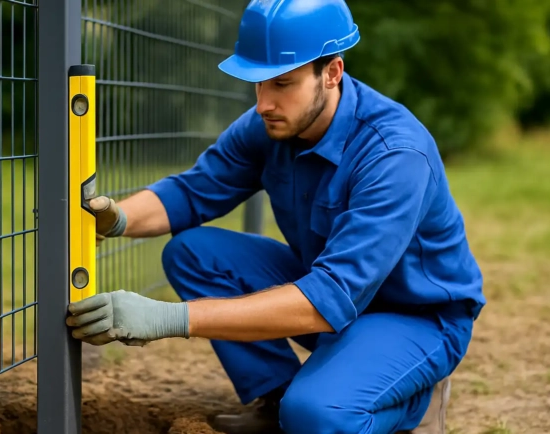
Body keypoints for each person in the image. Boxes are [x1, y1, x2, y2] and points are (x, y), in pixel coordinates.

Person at [65, 0, 486, 433]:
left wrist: (171, 318)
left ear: (332, 73)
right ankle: (278, 399)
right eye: (258, 83)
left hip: (416, 316)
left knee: (318, 414)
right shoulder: (271, 123)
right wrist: (114, 218)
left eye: (282, 83)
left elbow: (331, 296)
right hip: (333, 294)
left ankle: (412, 399)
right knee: (194, 252)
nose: (264, 103)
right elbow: (194, 191)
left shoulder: (394, 155)